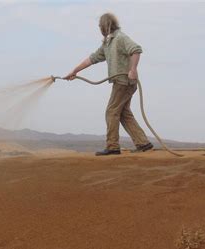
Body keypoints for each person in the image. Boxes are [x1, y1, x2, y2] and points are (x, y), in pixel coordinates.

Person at [64, 13, 153, 156]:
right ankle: (143, 143)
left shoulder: (120, 38)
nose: (99, 28)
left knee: (111, 111)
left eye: (100, 25)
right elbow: (92, 58)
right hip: (121, 82)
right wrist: (75, 71)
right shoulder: (107, 43)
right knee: (123, 113)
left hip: (124, 82)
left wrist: (133, 70)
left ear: (106, 25)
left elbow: (136, 49)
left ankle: (112, 146)